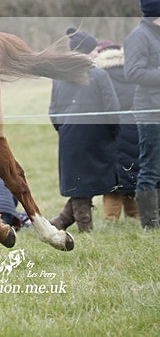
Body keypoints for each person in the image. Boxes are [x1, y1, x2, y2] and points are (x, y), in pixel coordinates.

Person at [48, 29, 120, 233]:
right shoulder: (99, 74)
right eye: (94, 49)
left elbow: (53, 111)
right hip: (96, 136)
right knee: (83, 184)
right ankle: (85, 230)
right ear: (87, 51)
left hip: (69, 136)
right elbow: (112, 109)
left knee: (80, 183)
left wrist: (64, 130)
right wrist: (111, 132)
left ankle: (58, 223)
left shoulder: (59, 77)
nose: (97, 53)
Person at [123, 0, 160, 229]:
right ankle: (150, 224)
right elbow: (133, 72)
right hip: (150, 111)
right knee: (150, 170)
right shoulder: (139, 37)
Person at [94, 41, 139, 221]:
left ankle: (110, 219)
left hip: (110, 129)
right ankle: (134, 215)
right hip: (134, 126)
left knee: (112, 179)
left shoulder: (99, 75)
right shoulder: (131, 71)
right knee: (131, 171)